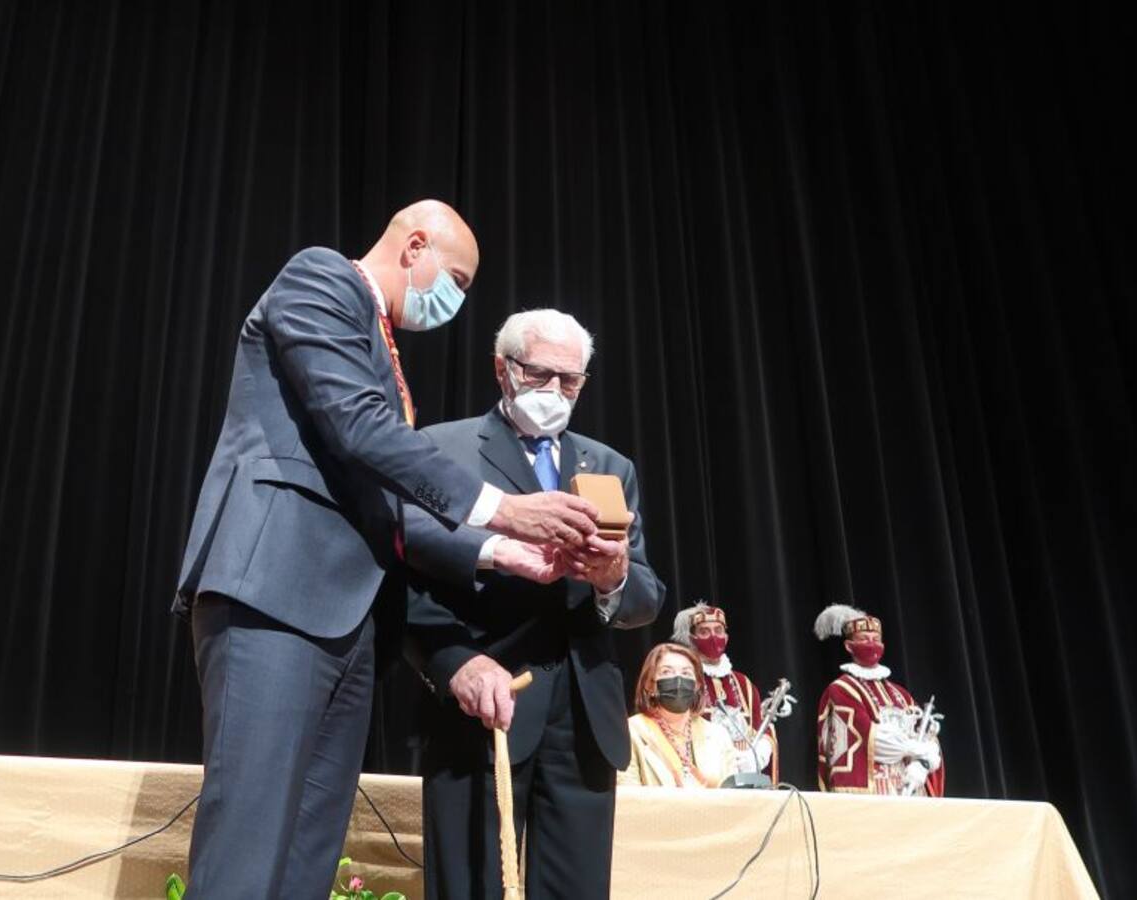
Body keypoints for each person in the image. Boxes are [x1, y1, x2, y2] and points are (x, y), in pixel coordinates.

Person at [172, 202, 604, 899]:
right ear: (415, 246)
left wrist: (497, 552)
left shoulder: (384, 347)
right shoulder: (320, 279)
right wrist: (504, 507)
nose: (455, 302)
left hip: (350, 620)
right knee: (248, 846)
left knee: (308, 851)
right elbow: (359, 427)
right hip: (276, 593)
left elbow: (390, 503)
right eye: (456, 279)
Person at [402, 309, 666, 900]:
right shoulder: (439, 450)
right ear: (503, 369)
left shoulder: (607, 465)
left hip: (584, 717)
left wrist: (612, 579)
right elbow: (404, 580)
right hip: (485, 703)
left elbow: (646, 595)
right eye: (540, 375)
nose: (555, 392)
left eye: (569, 381)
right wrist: (451, 663)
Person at [814, 603, 945, 796]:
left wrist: (923, 764)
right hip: (873, 791)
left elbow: (927, 736)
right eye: (864, 639)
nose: (871, 644)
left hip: (912, 787)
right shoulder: (842, 690)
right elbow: (868, 738)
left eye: (876, 639)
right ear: (849, 646)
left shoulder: (901, 693)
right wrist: (915, 748)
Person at [671, 601, 779, 781]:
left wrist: (758, 753)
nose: (714, 637)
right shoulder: (687, 680)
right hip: (703, 777)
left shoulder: (743, 683)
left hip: (746, 778)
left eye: (719, 630)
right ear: (692, 638)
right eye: (704, 632)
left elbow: (762, 728)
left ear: (727, 636)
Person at [619, 643, 738, 788]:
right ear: (650, 686)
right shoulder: (631, 731)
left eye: (686, 673)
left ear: (697, 685)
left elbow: (734, 796)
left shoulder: (718, 735)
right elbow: (628, 797)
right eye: (667, 672)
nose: (678, 679)